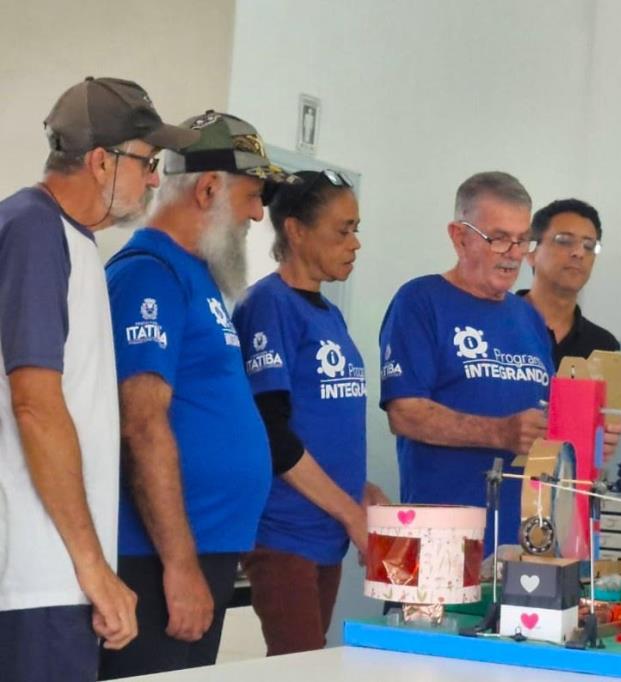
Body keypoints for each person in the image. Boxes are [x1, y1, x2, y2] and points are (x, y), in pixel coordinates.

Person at [0, 76, 198, 682]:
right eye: (147, 161)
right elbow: (35, 405)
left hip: (56, 575)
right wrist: (92, 567)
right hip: (35, 576)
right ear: (99, 160)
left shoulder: (73, 240)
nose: (155, 179)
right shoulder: (34, 229)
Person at [99, 111, 299, 678]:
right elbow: (140, 424)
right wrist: (180, 565)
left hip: (197, 552)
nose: (259, 214)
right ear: (209, 187)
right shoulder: (149, 274)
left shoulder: (197, 277)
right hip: (154, 561)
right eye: (253, 196)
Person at [232, 170, 388, 656]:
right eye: (343, 230)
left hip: (327, 531)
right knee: (298, 663)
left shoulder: (329, 314)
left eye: (357, 228)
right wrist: (351, 516)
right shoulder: (268, 306)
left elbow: (322, 424)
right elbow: (272, 433)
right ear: (296, 230)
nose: (356, 243)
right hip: (284, 533)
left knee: (313, 657)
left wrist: (360, 492)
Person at [378, 172, 554, 553]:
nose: (513, 253)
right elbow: (404, 414)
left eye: (522, 239)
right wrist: (499, 433)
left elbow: (547, 418)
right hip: (441, 542)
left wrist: (591, 432)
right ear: (459, 237)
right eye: (498, 238)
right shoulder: (420, 302)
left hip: (522, 545)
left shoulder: (529, 318)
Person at [517, 198, 619, 367]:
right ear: (531, 252)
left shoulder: (603, 348)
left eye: (588, 246)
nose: (579, 252)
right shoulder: (498, 326)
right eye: (564, 241)